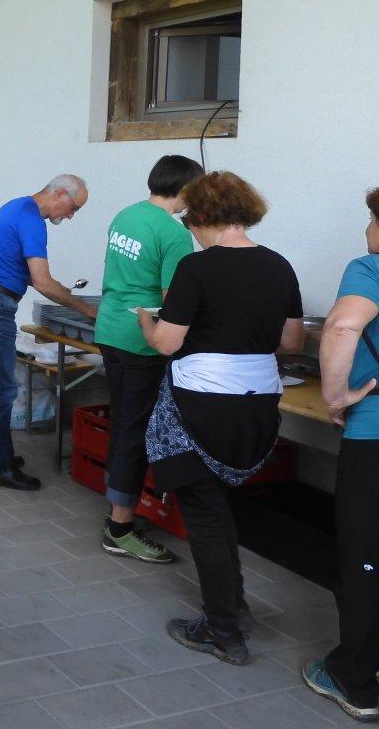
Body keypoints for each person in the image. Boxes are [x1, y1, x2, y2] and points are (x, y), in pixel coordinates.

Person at [139, 171, 303, 667]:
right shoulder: (278, 265)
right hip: (257, 406)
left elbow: (167, 343)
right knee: (217, 509)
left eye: (190, 218)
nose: (189, 227)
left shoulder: (197, 268)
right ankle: (234, 605)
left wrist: (146, 321)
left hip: (202, 405)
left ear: (204, 216)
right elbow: (292, 342)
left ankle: (223, 630)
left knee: (205, 516)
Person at [94, 155, 203, 564]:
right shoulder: (174, 234)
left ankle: (117, 503)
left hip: (110, 329)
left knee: (124, 420)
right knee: (135, 430)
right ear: (187, 189)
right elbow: (176, 299)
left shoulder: (126, 215)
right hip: (142, 339)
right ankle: (120, 527)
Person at [0, 174, 97, 492]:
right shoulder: (33, 220)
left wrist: (63, 291)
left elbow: (35, 278)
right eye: (73, 207)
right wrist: (86, 309)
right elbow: (42, 281)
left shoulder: (16, 206)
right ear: (59, 193)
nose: (71, 216)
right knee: (2, 389)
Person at [302, 187, 379, 722]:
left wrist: (335, 396)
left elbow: (343, 324)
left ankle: (353, 678)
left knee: (366, 556)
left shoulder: (370, 268)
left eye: (371, 220)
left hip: (375, 433)